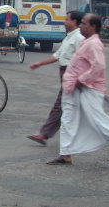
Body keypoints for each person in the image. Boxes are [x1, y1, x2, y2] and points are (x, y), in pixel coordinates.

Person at [47, 13, 109, 165]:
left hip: (86, 88)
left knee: (98, 122)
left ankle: (66, 153)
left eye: (84, 23)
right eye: (81, 23)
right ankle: (65, 153)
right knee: (67, 119)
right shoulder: (87, 41)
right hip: (72, 87)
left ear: (93, 27)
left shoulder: (94, 43)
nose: (81, 26)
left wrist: (81, 80)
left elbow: (99, 66)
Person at [27, 11, 85, 145]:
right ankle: (46, 134)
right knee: (65, 106)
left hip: (72, 75)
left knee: (63, 106)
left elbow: (83, 59)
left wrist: (77, 77)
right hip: (66, 74)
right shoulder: (69, 37)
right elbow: (57, 56)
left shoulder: (79, 38)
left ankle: (45, 135)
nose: (64, 22)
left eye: (67, 19)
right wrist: (39, 63)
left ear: (75, 22)